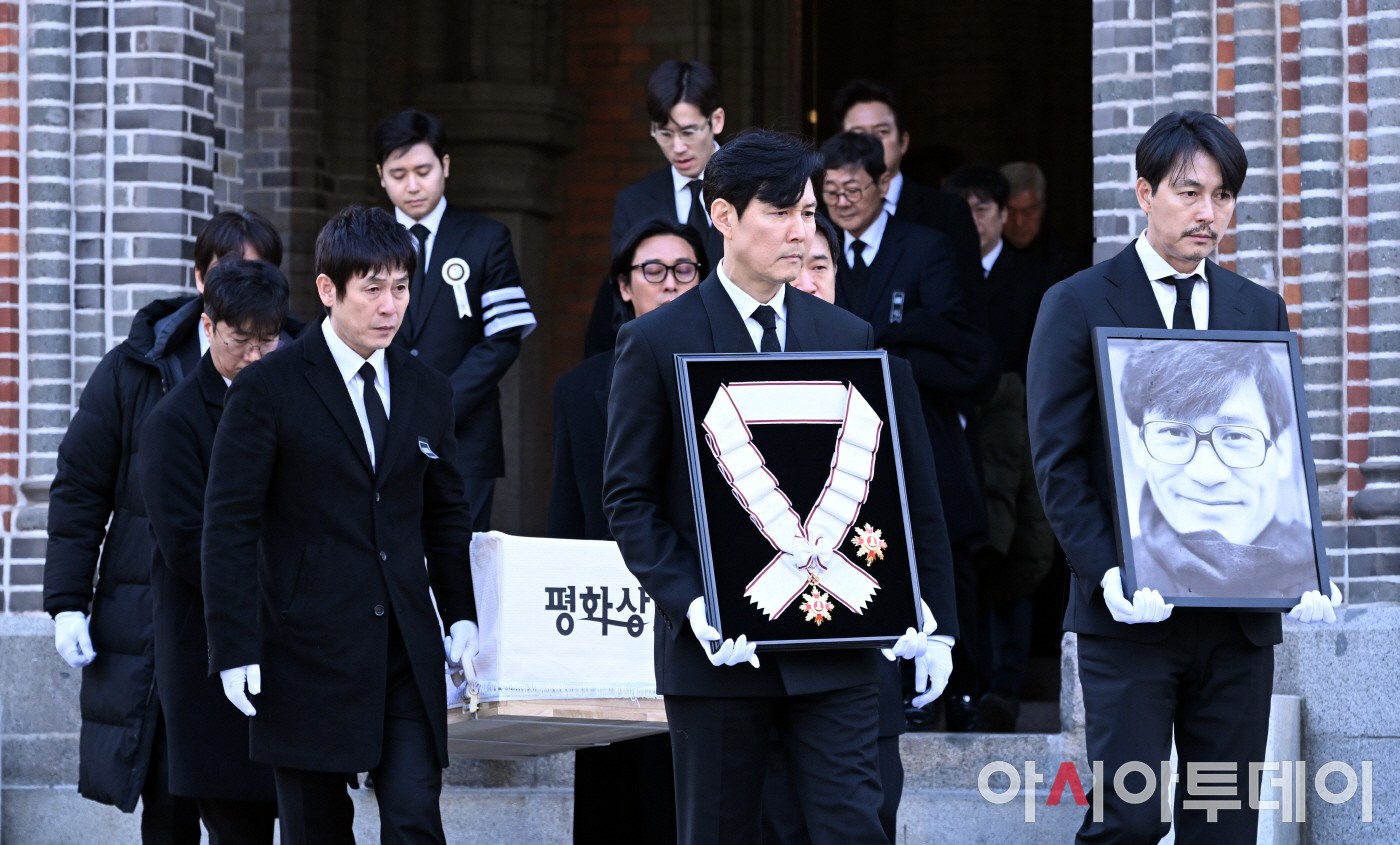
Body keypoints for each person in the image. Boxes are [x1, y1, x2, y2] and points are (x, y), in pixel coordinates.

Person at [602, 129, 956, 845]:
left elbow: (899, 486)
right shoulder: (658, 341)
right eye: (781, 212)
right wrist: (694, 601)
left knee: (854, 829)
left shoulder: (847, 333)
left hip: (838, 646)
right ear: (724, 216)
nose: (801, 231)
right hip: (720, 658)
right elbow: (630, 500)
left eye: (808, 213)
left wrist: (931, 613)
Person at [1027, 110, 1341, 844]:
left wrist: (1305, 563)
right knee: (1128, 818)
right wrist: (1105, 570)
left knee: (1224, 824)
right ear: (1145, 193)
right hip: (1131, 614)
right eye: (1189, 192)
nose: (1209, 213)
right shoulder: (1078, 301)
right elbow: (1057, 460)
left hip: (1237, 620)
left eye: (1223, 195)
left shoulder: (1256, 306)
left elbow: (1278, 451)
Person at [201, 206, 480, 845]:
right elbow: (230, 523)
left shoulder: (428, 388)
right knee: (316, 830)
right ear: (328, 290)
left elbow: (444, 512)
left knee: (415, 817)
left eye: (401, 287)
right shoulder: (268, 388)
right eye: (372, 288)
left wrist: (460, 614)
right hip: (304, 648)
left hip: (405, 645)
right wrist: (235, 646)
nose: (390, 305)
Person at [42, 210, 282, 843]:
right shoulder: (136, 366)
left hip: (259, 613)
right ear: (200, 280)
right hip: (151, 612)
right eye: (226, 273)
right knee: (168, 795)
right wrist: (67, 601)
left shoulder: (290, 364)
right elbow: (80, 484)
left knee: (247, 807)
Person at [762, 211, 958, 843]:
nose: (809, 279)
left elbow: (921, 512)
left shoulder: (884, 373)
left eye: (821, 265)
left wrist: (941, 632)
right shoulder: (733, 376)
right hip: (761, 654)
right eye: (796, 265)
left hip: (862, 652)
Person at [820, 131, 999, 732]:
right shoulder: (815, 250)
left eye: (853, 189)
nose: (842, 202)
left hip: (919, 421)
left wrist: (893, 341)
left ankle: (958, 687)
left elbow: (953, 334)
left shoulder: (923, 247)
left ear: (882, 185)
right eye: (831, 191)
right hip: (842, 433)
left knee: (938, 549)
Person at [548, 216, 708, 845]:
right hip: (610, 614)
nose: (670, 284)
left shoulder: (726, 371)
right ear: (623, 286)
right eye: (653, 271)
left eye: (685, 270)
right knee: (616, 793)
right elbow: (567, 517)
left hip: (703, 611)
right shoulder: (577, 389)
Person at [139, 259, 301, 844]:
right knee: (238, 824)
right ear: (208, 328)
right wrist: (289, 579)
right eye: (241, 342)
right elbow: (189, 543)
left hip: (295, 646)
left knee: (312, 817)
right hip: (210, 649)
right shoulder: (173, 422)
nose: (256, 356)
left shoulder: (296, 398)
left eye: (268, 341)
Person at [375, 109, 537, 531]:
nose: (412, 185)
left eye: (423, 171)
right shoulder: (364, 243)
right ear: (381, 176)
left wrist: (440, 404)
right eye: (398, 174)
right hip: (381, 427)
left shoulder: (487, 238)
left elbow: (502, 339)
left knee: (459, 555)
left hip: (465, 435)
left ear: (445, 166)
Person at [943, 164, 1057, 731]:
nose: (972, 220)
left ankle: (1005, 687)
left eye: (982, 208)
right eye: (961, 209)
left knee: (1018, 553)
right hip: (956, 430)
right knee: (961, 555)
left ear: (1002, 214)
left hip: (1018, 433)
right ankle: (963, 686)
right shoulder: (942, 275)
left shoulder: (1035, 280)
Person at [1119, 340, 1318, 599]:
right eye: (1174, 432)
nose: (1207, 474)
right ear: (1138, 444)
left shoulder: (1321, 578)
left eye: (1235, 436)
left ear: (1281, 450)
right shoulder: (1114, 576)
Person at [584, 60, 727, 356]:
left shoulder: (751, 191)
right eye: (664, 133)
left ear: (717, 120)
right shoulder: (634, 202)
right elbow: (622, 300)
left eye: (688, 132)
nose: (677, 147)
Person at [832, 79, 983, 318]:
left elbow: (967, 316)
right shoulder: (822, 221)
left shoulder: (947, 214)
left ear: (903, 142)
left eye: (881, 132)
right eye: (857, 136)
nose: (870, 146)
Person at [1000, 161, 1090, 284]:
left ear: (1042, 207)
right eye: (1010, 212)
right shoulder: (984, 255)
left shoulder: (1065, 261)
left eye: (1028, 212)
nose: (1019, 222)